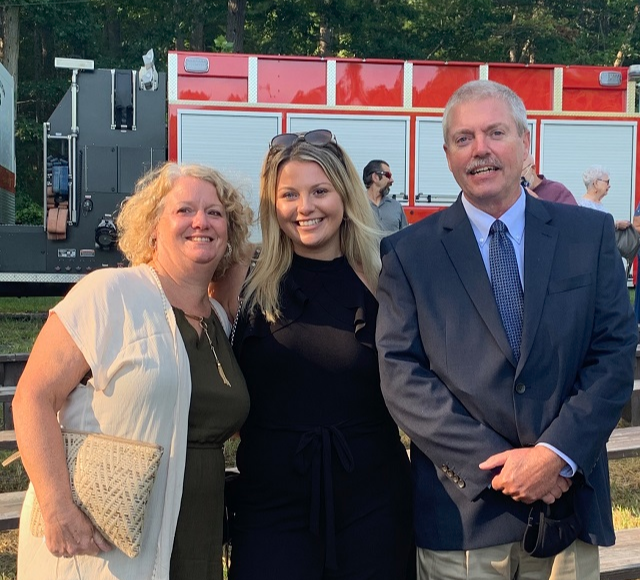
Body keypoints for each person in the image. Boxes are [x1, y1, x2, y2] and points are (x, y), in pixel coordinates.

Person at [376, 80, 637, 580]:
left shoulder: (588, 235)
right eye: (463, 138)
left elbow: (614, 353)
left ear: (525, 142)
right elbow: (402, 377)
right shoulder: (410, 254)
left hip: (568, 510)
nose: (481, 150)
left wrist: (553, 458)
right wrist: (501, 469)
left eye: (495, 133)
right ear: (448, 155)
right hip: (462, 523)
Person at [12, 163, 252, 580]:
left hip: (196, 534)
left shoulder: (218, 319)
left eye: (216, 213)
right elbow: (32, 397)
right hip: (106, 543)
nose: (202, 221)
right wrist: (57, 507)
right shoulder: (110, 293)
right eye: (185, 210)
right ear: (153, 227)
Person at [214, 130, 413, 579]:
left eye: (320, 191)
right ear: (273, 203)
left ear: (344, 194)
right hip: (271, 505)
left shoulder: (383, 276)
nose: (305, 208)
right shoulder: (241, 274)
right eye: (290, 195)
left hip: (373, 503)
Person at [579, 166, 631, 230]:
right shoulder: (584, 206)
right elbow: (594, 227)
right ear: (596, 183)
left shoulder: (597, 203)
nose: (609, 186)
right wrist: (616, 224)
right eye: (607, 182)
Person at [363, 159, 408, 232]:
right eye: (388, 175)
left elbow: (405, 237)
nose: (391, 180)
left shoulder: (396, 206)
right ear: (375, 177)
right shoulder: (355, 206)